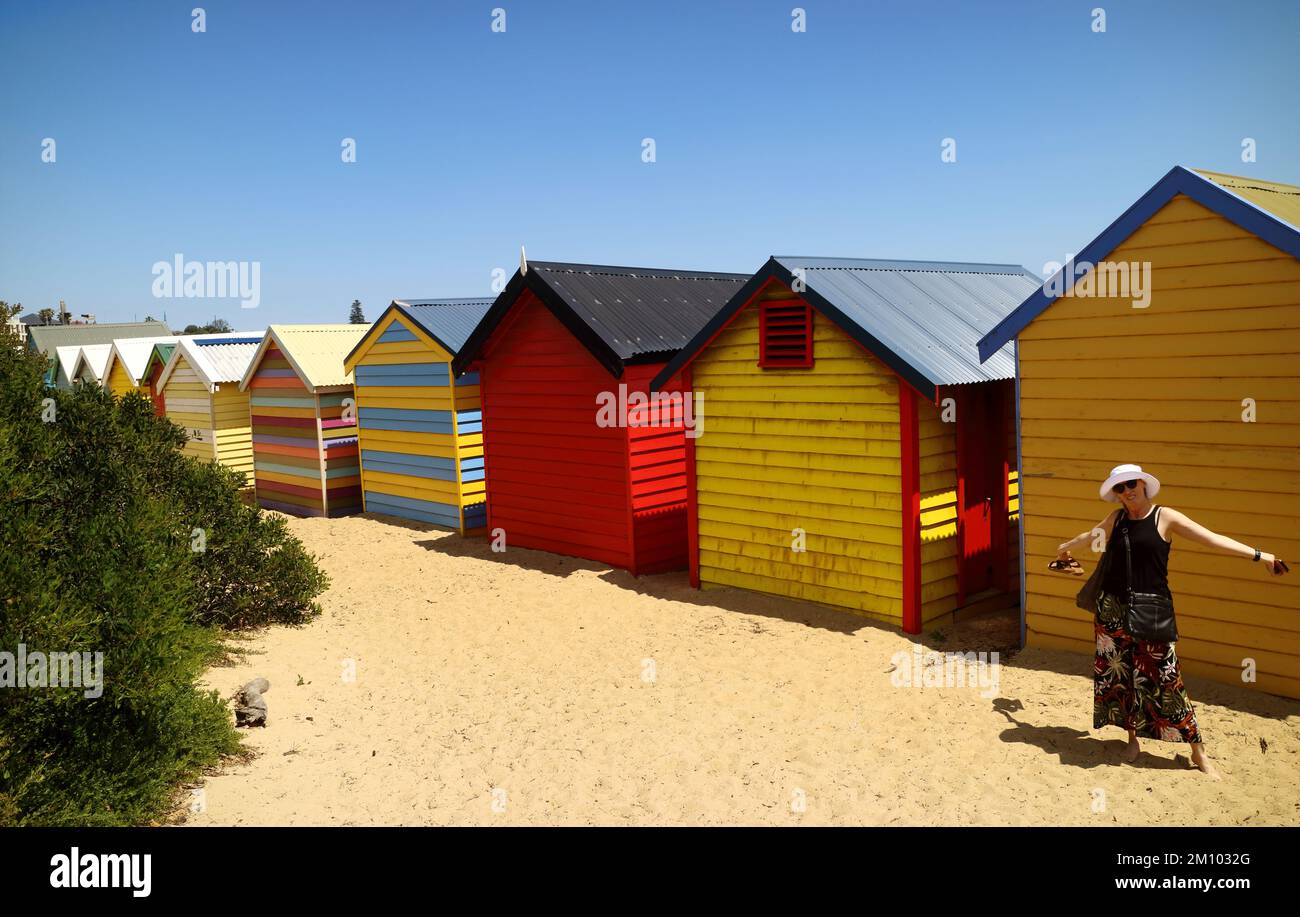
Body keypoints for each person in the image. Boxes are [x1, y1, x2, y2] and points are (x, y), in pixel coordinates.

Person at [1053, 463, 1289, 780]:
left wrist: (1261, 556)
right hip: (1112, 608)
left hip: (1151, 611)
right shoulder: (1118, 518)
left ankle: (1197, 751)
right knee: (1121, 679)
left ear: (1144, 485)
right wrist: (1065, 548)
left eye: (1131, 484)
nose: (1126, 492)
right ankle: (1133, 741)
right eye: (1119, 488)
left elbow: (1212, 539)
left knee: (1167, 679)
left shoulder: (1166, 517)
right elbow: (1092, 535)